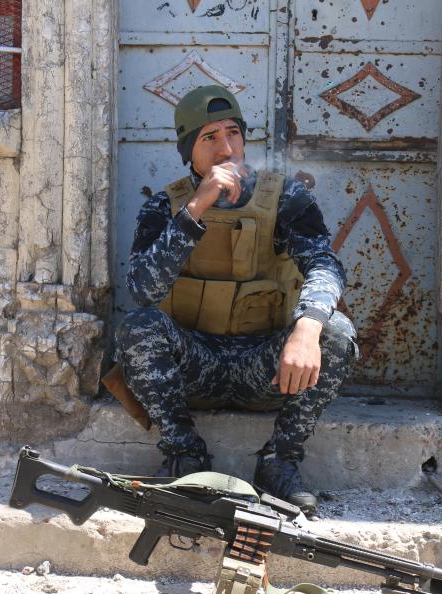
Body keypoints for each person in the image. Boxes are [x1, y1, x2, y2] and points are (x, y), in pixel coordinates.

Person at [114, 85, 356, 514]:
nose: (226, 148)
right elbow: (143, 290)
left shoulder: (284, 198)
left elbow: (325, 265)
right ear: (188, 149)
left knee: (335, 331)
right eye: (209, 137)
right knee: (137, 329)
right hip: (195, 367)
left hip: (264, 368)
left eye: (234, 133)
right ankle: (185, 457)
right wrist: (196, 209)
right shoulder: (164, 208)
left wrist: (307, 326)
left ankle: (279, 463)